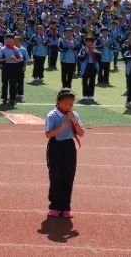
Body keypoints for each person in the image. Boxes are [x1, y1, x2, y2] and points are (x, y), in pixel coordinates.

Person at [44, 88, 83, 218]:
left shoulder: (74, 115)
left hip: (69, 147)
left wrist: (74, 121)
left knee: (68, 176)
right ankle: (54, 206)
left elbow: (81, 133)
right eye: (66, 103)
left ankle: (66, 207)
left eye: (71, 104)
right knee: (55, 176)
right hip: (55, 147)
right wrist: (62, 128)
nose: (68, 106)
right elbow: (48, 134)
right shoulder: (52, 115)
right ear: (58, 102)